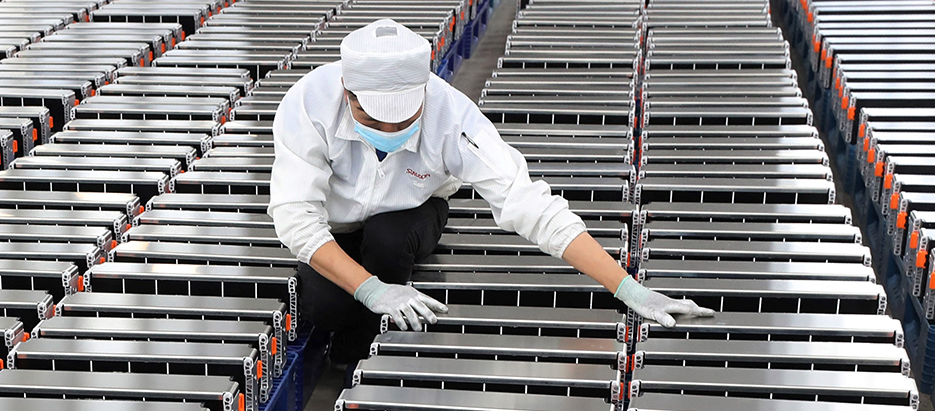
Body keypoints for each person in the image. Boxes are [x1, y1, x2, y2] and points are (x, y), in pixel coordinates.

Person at [270, 19, 715, 366]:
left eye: (403, 119)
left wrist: (629, 290)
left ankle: (366, 351)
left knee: (387, 241)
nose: (389, 130)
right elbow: (295, 217)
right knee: (325, 305)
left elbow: (528, 203)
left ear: (423, 92)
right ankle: (357, 316)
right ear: (347, 92)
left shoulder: (453, 117)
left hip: (413, 213)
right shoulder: (308, 105)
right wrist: (369, 288)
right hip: (335, 224)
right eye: (374, 118)